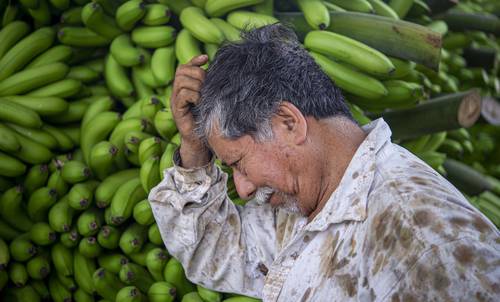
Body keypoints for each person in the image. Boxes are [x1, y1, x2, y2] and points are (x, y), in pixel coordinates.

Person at [148, 24, 500, 301]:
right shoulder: (309, 209)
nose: (242, 187)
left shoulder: (426, 238)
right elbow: (216, 251)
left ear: (289, 122)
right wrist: (194, 147)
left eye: (239, 163)